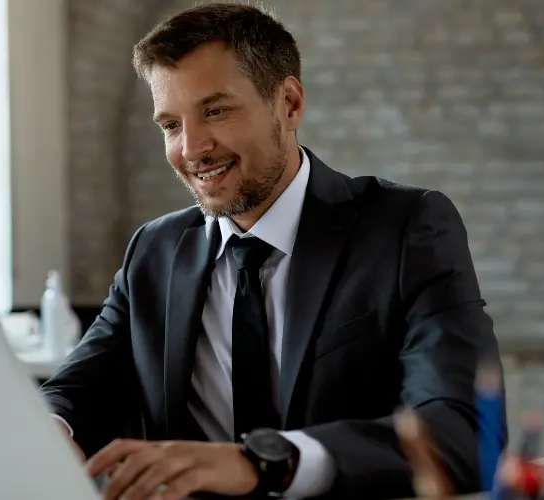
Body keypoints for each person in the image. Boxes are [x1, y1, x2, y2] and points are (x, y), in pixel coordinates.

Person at [40, 3, 506, 499]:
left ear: (288, 103)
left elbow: (464, 433)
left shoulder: (406, 228)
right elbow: (75, 392)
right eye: (170, 125)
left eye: (215, 110)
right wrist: (50, 430)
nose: (192, 148)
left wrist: (266, 463)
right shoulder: (153, 251)